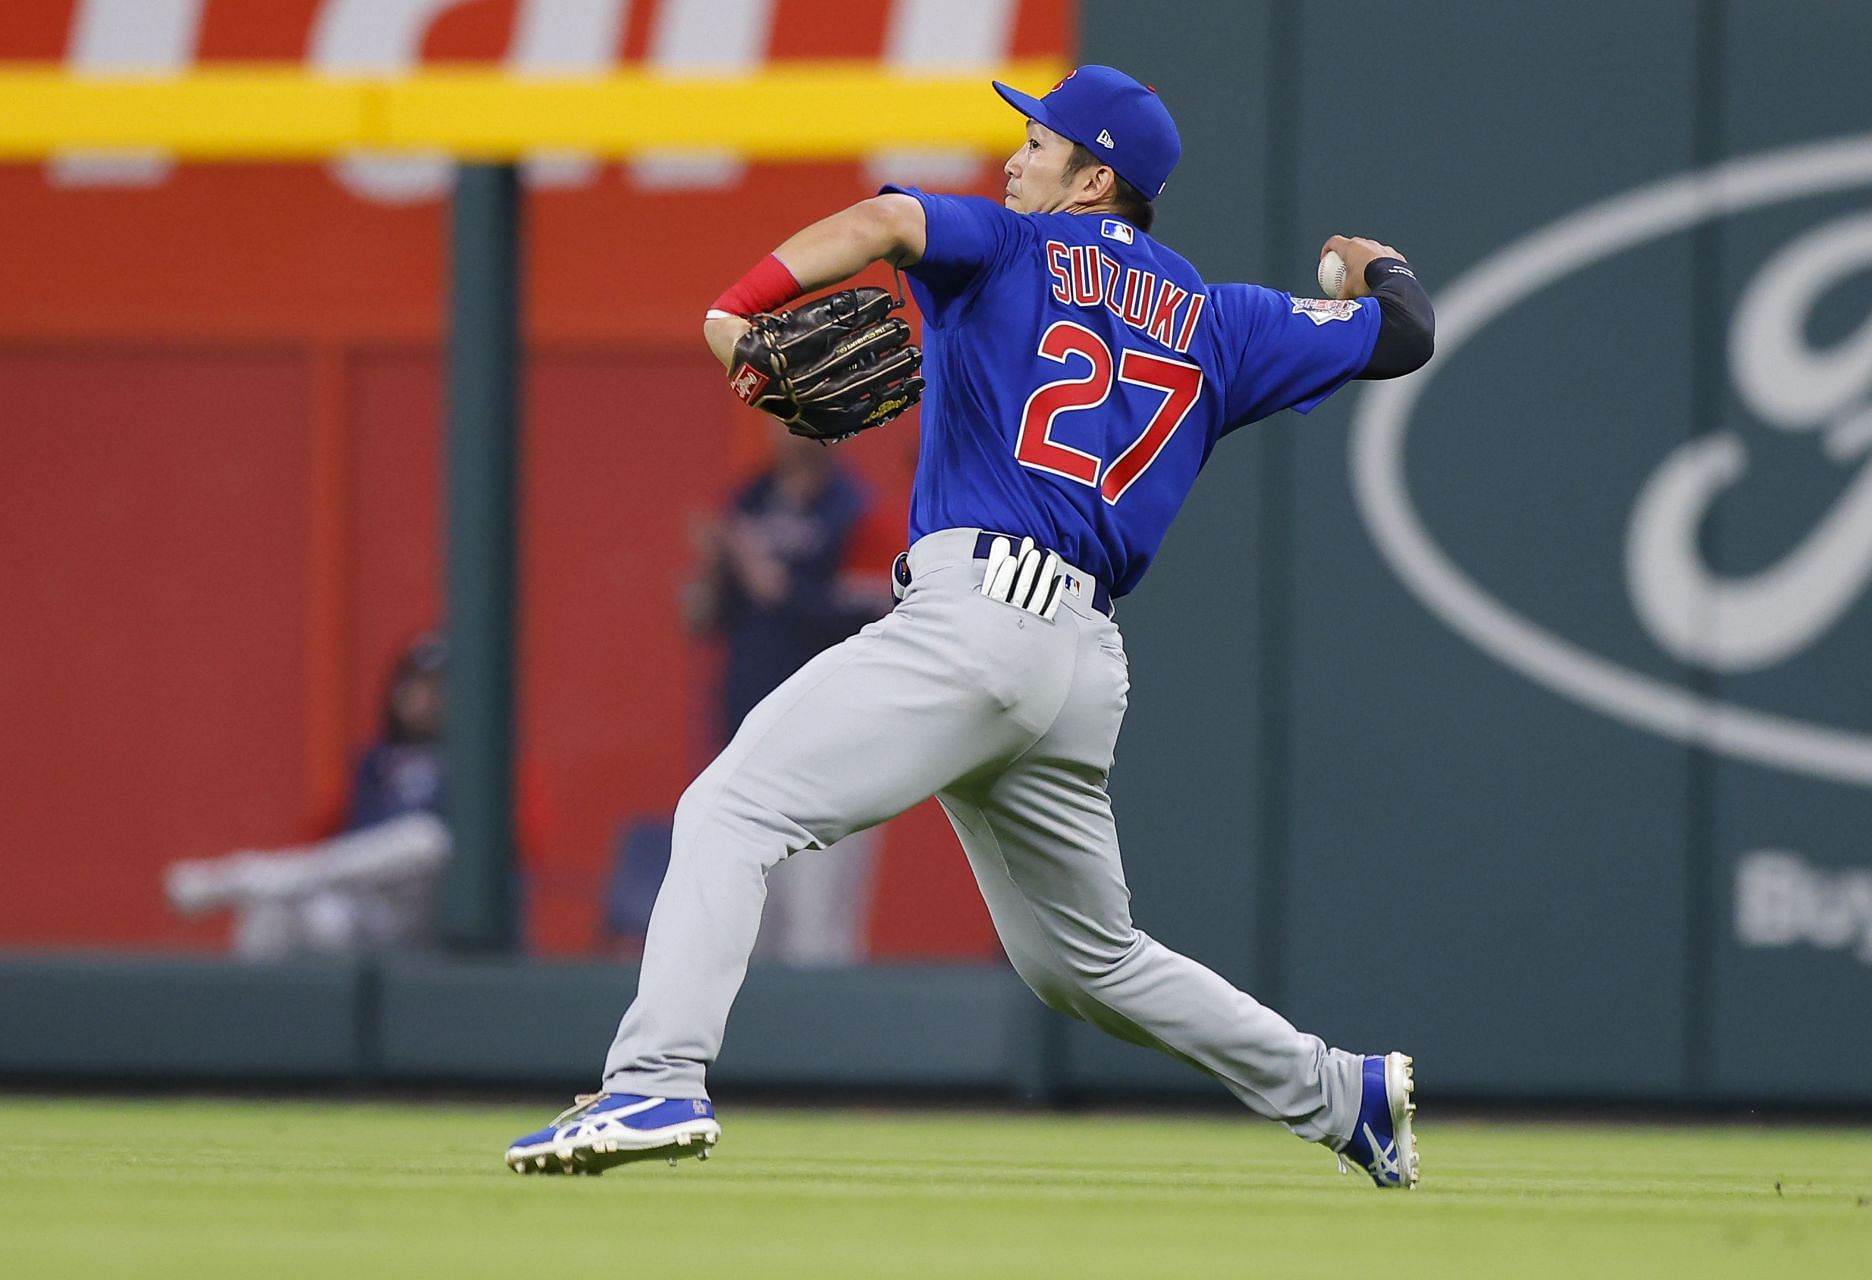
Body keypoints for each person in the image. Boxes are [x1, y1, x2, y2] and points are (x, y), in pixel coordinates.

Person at [506, 65, 1435, 1186]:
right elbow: (1403, 334)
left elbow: (888, 218)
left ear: (1096, 178)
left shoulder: (1007, 246)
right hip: (1081, 661)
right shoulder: (1222, 320)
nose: (1013, 159)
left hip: (978, 616)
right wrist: (1369, 262)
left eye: (1037, 144)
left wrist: (733, 314)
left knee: (733, 805)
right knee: (1087, 963)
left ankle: (656, 1077)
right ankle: (1343, 1092)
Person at [682, 426, 892, 964]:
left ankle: (824, 1046)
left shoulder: (855, 510)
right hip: (748, 741)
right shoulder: (751, 499)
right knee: (752, 924)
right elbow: (704, 615)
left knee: (817, 928)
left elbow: (873, 614)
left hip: (831, 749)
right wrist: (714, 567)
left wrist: (772, 580)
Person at [166, 633, 454, 957]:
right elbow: (325, 837)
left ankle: (252, 875)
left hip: (432, 920)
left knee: (426, 839)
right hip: (362, 906)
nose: (423, 699)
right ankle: (251, 1002)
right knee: (271, 908)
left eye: (436, 687)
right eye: (414, 685)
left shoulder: (480, 764)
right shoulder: (374, 764)